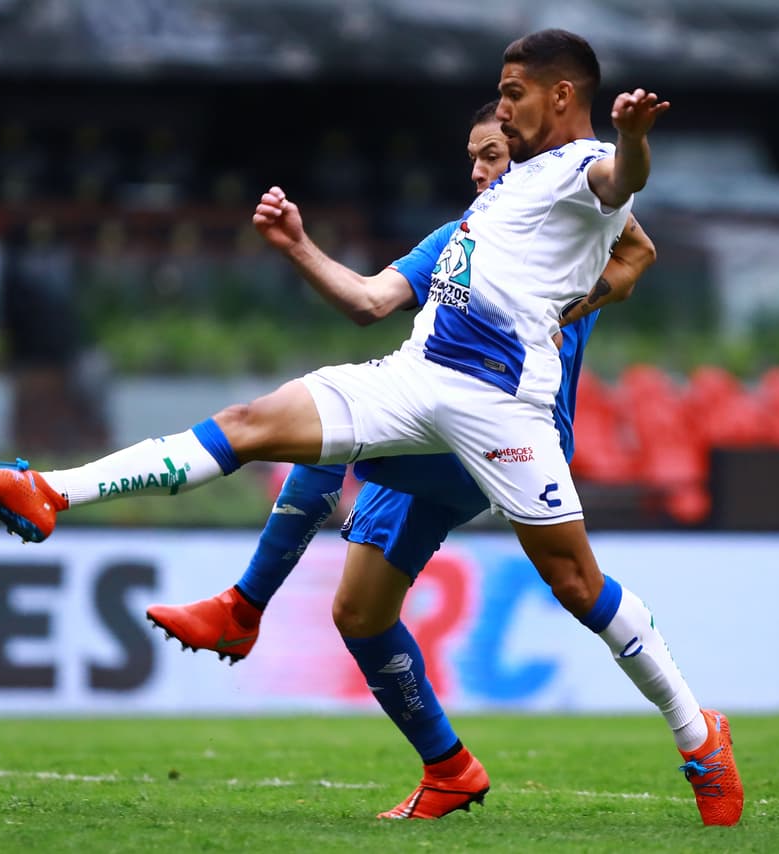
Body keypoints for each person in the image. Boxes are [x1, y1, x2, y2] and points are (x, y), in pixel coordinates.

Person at [0, 29, 743, 827]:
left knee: (575, 583)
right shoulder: (489, 203)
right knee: (255, 426)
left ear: (561, 96)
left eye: (510, 96)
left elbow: (620, 187)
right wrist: (297, 245)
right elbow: (368, 302)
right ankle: (48, 490)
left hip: (503, 408)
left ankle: (697, 732)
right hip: (415, 379)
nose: (494, 124)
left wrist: (632, 146)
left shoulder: (579, 170)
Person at [144, 101, 654, 823]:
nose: (478, 171)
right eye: (473, 158)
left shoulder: (572, 213)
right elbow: (370, 298)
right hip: (434, 419)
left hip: (503, 433)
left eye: (492, 155)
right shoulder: (458, 241)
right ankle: (448, 768)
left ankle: (244, 604)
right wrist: (297, 246)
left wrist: (573, 303)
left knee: (330, 434)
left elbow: (637, 242)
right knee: (358, 612)